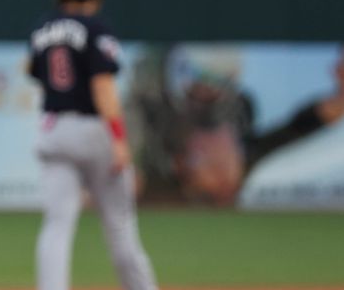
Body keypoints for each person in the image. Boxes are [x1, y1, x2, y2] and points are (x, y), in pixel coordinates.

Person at [26, 0, 219, 290]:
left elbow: (34, 70)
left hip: (53, 129)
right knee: (119, 224)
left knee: (57, 226)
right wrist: (118, 138)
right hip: (92, 129)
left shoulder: (42, 27)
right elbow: (102, 88)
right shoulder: (96, 29)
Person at [126, 43, 344, 205]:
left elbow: (301, 125)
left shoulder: (239, 112)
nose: (209, 91)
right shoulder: (154, 116)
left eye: (218, 83)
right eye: (204, 81)